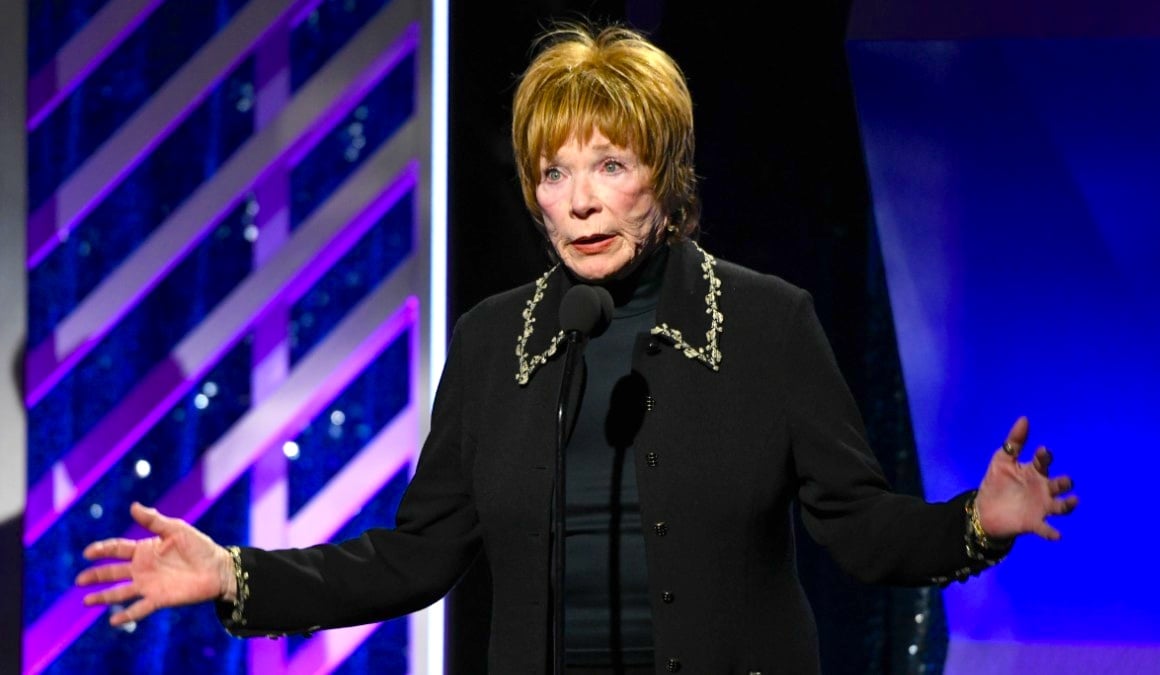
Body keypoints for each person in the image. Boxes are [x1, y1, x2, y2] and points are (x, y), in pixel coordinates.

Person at [76, 21, 1077, 675]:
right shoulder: (491, 346)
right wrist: (236, 576)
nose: (580, 198)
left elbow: (857, 531)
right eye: (553, 172)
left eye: (609, 163)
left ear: (666, 174)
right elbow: (415, 558)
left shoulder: (768, 326)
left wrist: (972, 527)